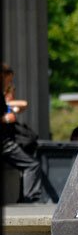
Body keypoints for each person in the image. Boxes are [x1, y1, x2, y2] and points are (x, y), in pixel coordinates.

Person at [1, 63, 43, 203]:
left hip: (8, 139)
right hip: (5, 142)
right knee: (32, 165)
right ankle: (29, 200)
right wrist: (6, 118)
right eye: (9, 79)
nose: (10, 83)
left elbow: (19, 105)